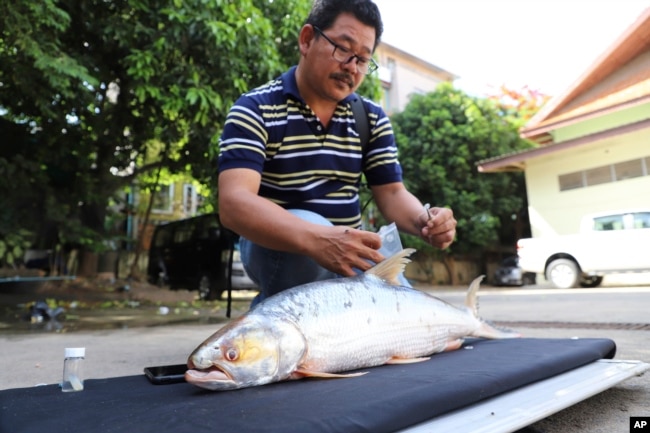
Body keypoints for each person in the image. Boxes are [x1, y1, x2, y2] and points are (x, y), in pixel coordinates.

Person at [217, 0, 456, 306]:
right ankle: (280, 315)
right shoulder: (255, 108)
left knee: (409, 311)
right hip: (280, 250)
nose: (351, 67)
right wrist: (319, 238)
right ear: (307, 40)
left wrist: (427, 220)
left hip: (349, 252)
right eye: (343, 49)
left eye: (362, 59)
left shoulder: (370, 118)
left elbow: (393, 194)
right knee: (307, 222)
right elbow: (234, 203)